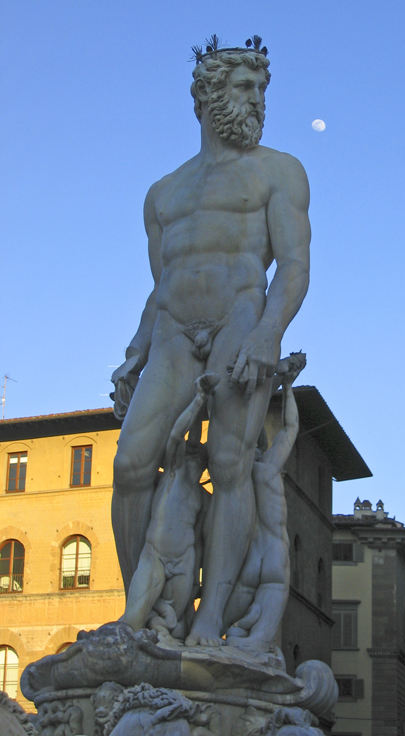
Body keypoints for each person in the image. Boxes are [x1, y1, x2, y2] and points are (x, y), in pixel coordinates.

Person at [110, 37, 311, 648]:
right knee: (131, 464)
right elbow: (161, 283)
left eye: (262, 90)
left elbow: (295, 268)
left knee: (229, 466)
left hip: (240, 320)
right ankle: (142, 611)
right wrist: (135, 351)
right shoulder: (162, 193)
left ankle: (211, 617)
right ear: (207, 95)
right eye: (245, 87)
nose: (258, 100)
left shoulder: (280, 170)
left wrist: (266, 333)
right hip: (173, 330)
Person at [118, 373, 218, 641]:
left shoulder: (202, 497)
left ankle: (159, 637)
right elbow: (177, 433)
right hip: (156, 556)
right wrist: (199, 400)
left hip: (183, 561)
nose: (194, 452)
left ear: (205, 464)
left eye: (200, 454)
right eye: (192, 449)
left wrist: (196, 580)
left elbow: (199, 540)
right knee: (133, 618)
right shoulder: (173, 471)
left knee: (178, 627)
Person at [223, 352, 306, 651]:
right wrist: (289, 386)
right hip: (273, 557)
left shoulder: (233, 477)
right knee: (258, 641)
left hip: (247, 562)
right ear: (263, 446)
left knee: (222, 629)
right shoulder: (269, 469)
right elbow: (291, 427)